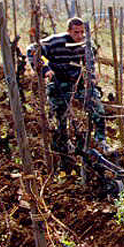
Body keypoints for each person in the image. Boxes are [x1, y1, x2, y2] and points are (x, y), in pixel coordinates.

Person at [27, 17, 112, 155]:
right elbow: (32, 50)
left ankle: (101, 141)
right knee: (60, 114)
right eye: (75, 32)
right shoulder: (55, 42)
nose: (79, 36)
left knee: (97, 108)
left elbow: (89, 62)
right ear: (68, 31)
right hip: (58, 80)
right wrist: (44, 70)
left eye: (81, 32)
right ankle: (63, 144)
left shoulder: (86, 44)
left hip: (78, 81)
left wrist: (91, 76)